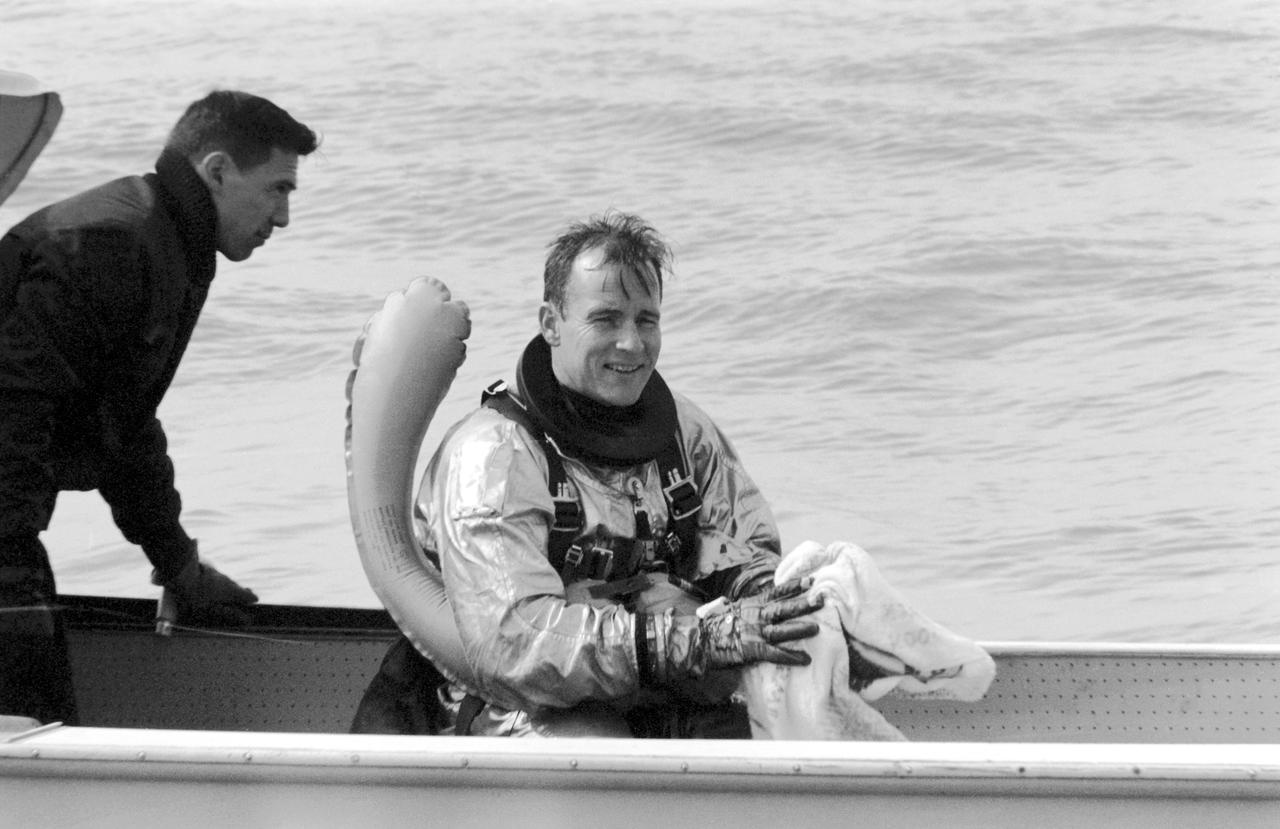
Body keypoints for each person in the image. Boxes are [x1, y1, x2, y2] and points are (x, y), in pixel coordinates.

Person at [353, 211, 823, 738]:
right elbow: (517, 644)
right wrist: (697, 639)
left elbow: (747, 550)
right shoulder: (495, 456)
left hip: (656, 688)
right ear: (551, 323)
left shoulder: (685, 434)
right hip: (499, 707)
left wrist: (773, 605)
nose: (632, 344)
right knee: (595, 745)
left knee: (777, 721)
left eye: (647, 320)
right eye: (606, 319)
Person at [0, 90, 319, 725]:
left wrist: (176, 561)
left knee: (45, 705)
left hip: (7, 524)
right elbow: (16, 406)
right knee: (31, 719)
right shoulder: (112, 242)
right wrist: (9, 567)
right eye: (278, 189)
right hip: (3, 527)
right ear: (219, 171)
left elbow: (124, 426)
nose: (283, 217)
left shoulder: (168, 242)